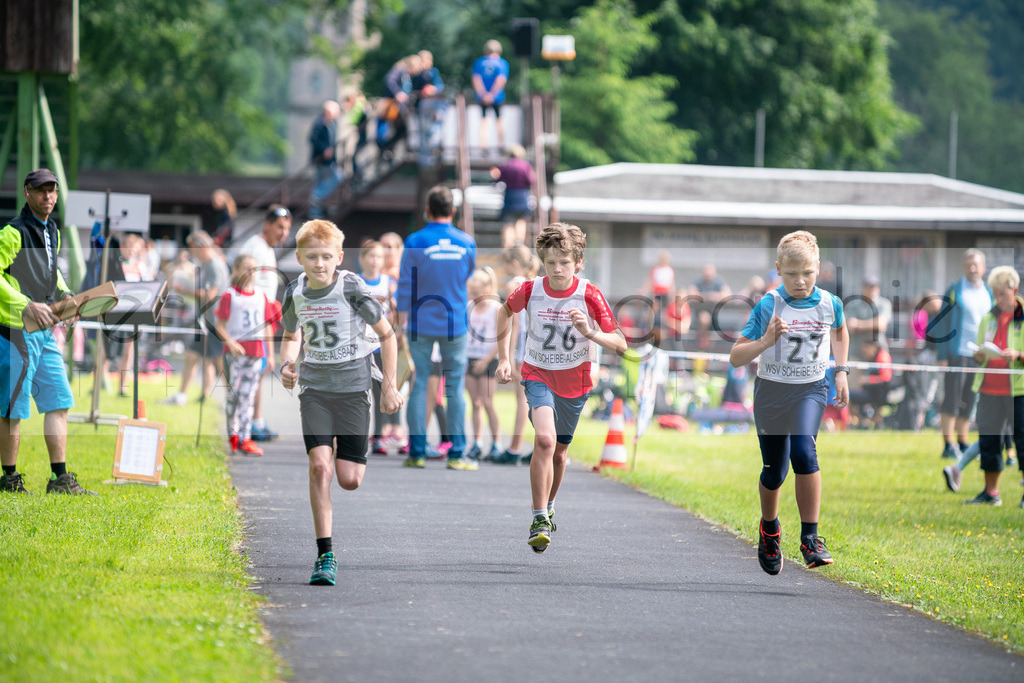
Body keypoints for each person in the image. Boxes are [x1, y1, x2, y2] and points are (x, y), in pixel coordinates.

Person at [280, 219, 402, 586]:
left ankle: (338, 452)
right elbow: (290, 334)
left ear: (338, 257)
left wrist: (389, 387)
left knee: (349, 480)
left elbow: (387, 335)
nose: (319, 264)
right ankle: (325, 554)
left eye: (327, 257)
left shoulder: (352, 288)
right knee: (321, 468)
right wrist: (287, 364)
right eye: (312, 257)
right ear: (300, 258)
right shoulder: (295, 292)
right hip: (315, 390)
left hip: (353, 390)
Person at [495, 222, 627, 552]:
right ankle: (539, 516)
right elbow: (504, 313)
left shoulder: (589, 294)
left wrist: (590, 331)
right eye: (551, 262)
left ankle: (549, 505)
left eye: (564, 263)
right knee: (544, 439)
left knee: (560, 454)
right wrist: (504, 358)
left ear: (578, 263)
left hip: (575, 381)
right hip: (538, 374)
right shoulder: (530, 289)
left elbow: (621, 344)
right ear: (542, 260)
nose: (557, 269)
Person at [729, 230, 849, 575]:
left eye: (808, 273)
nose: (801, 281)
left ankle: (811, 538)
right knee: (774, 471)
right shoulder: (770, 304)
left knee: (804, 451)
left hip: (810, 389)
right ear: (779, 269)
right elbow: (737, 357)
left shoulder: (830, 303)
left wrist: (840, 370)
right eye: (792, 274)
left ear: (819, 269)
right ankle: (769, 530)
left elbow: (840, 330)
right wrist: (766, 340)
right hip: (771, 392)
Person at [0, 169, 93, 495]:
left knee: (58, 401)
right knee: (13, 409)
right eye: (41, 190)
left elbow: (52, 275)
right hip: (16, 330)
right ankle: (9, 480)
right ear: (27, 193)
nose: (48, 196)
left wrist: (67, 296)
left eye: (52, 190)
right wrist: (25, 304)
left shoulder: (52, 229)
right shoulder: (13, 232)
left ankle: (59, 479)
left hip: (46, 330)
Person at [396, 185, 476, 470]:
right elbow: (467, 274)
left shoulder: (415, 241)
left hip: (419, 322)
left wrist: (400, 319)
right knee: (455, 388)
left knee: (418, 385)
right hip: (454, 322)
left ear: (427, 210)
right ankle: (457, 455)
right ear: (452, 211)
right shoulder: (466, 242)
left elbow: (405, 283)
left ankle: (416, 452)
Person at [954, 266, 1024, 507]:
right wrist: (980, 354)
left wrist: (1019, 355)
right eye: (995, 294)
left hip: (1018, 390)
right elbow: (981, 351)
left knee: (1022, 441)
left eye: (1002, 294)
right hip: (989, 390)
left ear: (1014, 290)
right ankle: (991, 493)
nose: (998, 299)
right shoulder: (988, 317)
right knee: (989, 442)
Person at [234, 205, 292, 441]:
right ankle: (246, 424)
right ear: (266, 224)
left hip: (263, 317)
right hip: (253, 322)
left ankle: (255, 420)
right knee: (253, 373)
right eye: (279, 227)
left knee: (258, 373)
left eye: (287, 229)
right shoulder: (255, 248)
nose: (283, 233)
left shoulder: (266, 248)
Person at [928, 249, 992, 460]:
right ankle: (948, 444)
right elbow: (942, 324)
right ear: (964, 267)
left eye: (976, 265)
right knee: (952, 400)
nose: (972, 269)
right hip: (958, 353)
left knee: (970, 399)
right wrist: (942, 354)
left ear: (983, 268)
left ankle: (962, 442)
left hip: (980, 356)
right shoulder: (955, 290)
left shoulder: (989, 292)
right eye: (968, 265)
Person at [215, 254, 280, 456]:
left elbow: (268, 326)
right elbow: (219, 325)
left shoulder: (261, 295)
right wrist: (230, 342)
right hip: (235, 353)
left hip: (256, 351)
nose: (251, 273)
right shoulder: (230, 295)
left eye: (254, 269)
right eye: (246, 268)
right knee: (234, 395)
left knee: (249, 396)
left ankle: (245, 438)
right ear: (236, 270)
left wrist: (270, 354)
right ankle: (233, 434)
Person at [162, 230, 229, 406]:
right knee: (195, 357)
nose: (192, 253)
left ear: (201, 246)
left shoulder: (214, 265)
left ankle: (232, 395)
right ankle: (190, 395)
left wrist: (183, 290)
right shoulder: (205, 265)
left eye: (193, 249)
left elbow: (210, 295)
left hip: (215, 323)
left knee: (218, 361)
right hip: (204, 321)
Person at [493, 245, 541, 465]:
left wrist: (509, 355)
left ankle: (514, 447)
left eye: (504, 264)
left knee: (522, 399)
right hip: (536, 344)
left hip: (523, 344)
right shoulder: (534, 283)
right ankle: (539, 443)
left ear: (513, 264)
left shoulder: (514, 284)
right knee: (534, 398)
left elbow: (515, 321)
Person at [357, 240, 399, 456]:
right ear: (362, 258)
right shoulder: (356, 283)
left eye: (379, 257)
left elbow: (396, 314)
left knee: (382, 390)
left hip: (382, 345)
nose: (375, 261)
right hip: (360, 346)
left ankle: (379, 436)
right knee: (361, 394)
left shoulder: (388, 283)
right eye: (371, 256)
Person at [464, 267, 502, 461]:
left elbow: (501, 339)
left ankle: (496, 443)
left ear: (486, 291)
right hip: (470, 358)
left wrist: (486, 360)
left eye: (476, 294)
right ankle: (476, 443)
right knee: (475, 403)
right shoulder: (469, 307)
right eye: (470, 293)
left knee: (487, 402)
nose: (472, 297)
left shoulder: (495, 309)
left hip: (488, 361)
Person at [490, 145, 536, 248]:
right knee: (521, 222)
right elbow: (531, 181)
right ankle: (520, 247)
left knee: (508, 224)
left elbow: (497, 179)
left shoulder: (505, 165)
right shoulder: (526, 165)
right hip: (522, 197)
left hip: (510, 197)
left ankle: (507, 249)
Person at [472, 40, 510, 153]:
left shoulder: (479, 62)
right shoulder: (502, 63)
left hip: (482, 97)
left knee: (484, 121)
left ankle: (484, 147)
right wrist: (492, 94)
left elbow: (476, 79)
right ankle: (501, 146)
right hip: (497, 97)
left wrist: (483, 94)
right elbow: (501, 80)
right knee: (499, 120)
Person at [410, 50, 446, 168]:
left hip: (432, 107)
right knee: (423, 133)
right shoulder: (416, 74)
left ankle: (435, 154)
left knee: (433, 132)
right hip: (421, 107)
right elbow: (412, 89)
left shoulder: (433, 73)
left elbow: (439, 87)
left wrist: (433, 90)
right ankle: (424, 158)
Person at [309, 100, 344, 220]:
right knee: (336, 177)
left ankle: (316, 209)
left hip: (329, 161)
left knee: (325, 181)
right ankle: (316, 204)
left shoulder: (332, 124)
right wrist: (324, 149)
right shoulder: (320, 123)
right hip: (322, 161)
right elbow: (313, 138)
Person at [848, 338, 892, 429]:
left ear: (873, 347)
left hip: (879, 393)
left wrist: (868, 380)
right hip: (874, 392)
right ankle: (863, 421)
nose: (865, 353)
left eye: (866, 349)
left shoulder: (882, 356)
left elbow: (886, 377)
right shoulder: (875, 357)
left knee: (849, 395)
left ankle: (861, 421)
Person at [844, 276, 892, 359]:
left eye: (874, 287)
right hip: (857, 354)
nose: (872, 290)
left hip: (879, 354)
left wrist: (859, 324)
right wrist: (874, 324)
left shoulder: (884, 303)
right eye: (869, 288)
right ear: (863, 288)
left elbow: (881, 324)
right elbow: (850, 326)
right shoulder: (853, 304)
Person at [690, 263, 731, 348]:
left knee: (711, 345)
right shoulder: (699, 282)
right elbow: (691, 294)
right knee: (704, 318)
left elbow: (728, 294)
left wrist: (716, 296)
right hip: (700, 314)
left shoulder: (718, 282)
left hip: (715, 315)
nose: (708, 275)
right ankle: (702, 339)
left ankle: (708, 347)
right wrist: (705, 296)